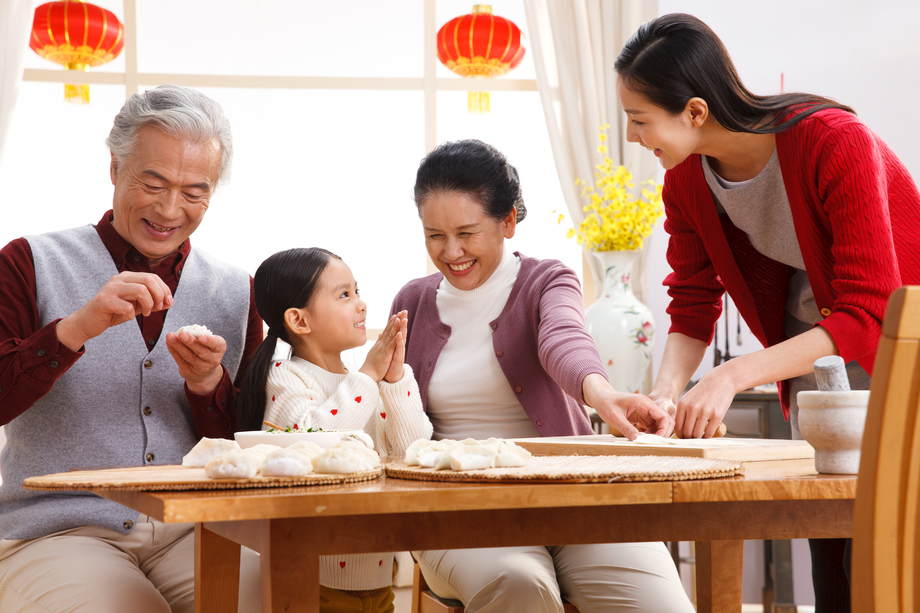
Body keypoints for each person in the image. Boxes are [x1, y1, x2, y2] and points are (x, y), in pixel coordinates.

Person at [614, 13, 920, 612]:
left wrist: (730, 375)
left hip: (900, 360)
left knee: (893, 563)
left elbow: (869, 309)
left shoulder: (833, 140)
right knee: (833, 561)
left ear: (695, 112)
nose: (631, 135)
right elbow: (693, 302)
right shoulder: (685, 181)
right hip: (821, 368)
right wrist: (667, 394)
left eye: (638, 119)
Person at [390, 139, 693, 613]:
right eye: (435, 236)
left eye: (467, 232)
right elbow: (395, 406)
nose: (451, 252)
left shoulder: (546, 280)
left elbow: (563, 339)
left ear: (508, 220)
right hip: (459, 509)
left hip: (573, 498)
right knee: (519, 583)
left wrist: (601, 393)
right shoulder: (412, 301)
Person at [0, 84, 263, 612]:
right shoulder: (28, 262)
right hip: (59, 532)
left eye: (195, 191)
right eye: (154, 181)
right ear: (116, 168)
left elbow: (248, 443)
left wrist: (208, 385)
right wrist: (73, 330)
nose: (170, 209)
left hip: (196, 528)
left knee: (280, 591)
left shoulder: (237, 289)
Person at [236, 247, 433, 613]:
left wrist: (393, 379)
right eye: (344, 295)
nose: (360, 304)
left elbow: (414, 452)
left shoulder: (362, 385)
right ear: (299, 320)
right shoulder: (287, 376)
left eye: (357, 291)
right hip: (314, 576)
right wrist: (369, 377)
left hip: (377, 571)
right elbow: (314, 440)